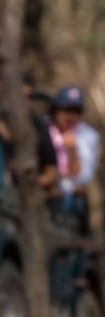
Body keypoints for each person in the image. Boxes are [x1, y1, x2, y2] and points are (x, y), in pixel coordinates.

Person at [48, 86, 99, 229]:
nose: (71, 116)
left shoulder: (88, 136)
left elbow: (82, 178)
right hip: (46, 199)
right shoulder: (44, 130)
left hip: (73, 200)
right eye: (66, 110)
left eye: (76, 111)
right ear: (56, 110)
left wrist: (72, 150)